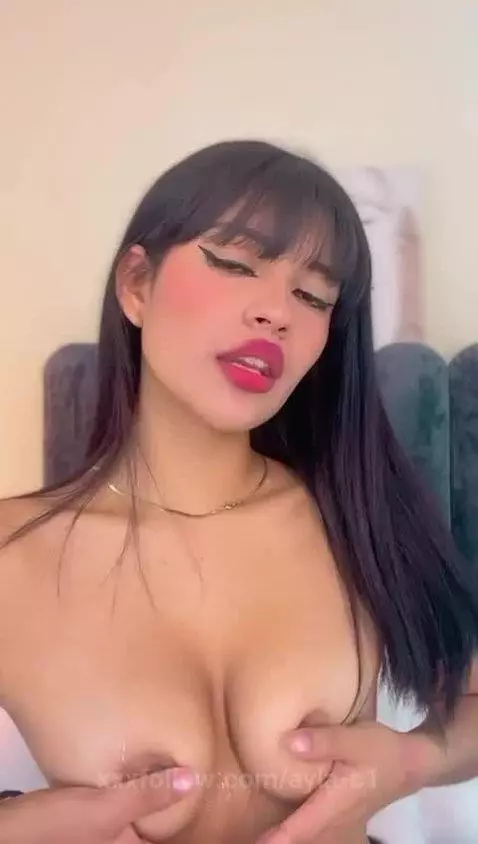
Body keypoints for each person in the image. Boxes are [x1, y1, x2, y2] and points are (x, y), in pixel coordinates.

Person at [1, 139, 478, 844]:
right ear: (137, 285)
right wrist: (15, 822)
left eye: (312, 296)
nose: (276, 312)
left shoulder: (355, 514)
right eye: (235, 263)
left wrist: (413, 760)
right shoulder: (15, 553)